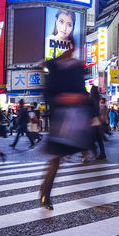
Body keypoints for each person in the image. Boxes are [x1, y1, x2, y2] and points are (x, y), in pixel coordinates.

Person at [38, 48, 91, 209]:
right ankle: (45, 194)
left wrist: (82, 100)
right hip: (60, 119)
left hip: (76, 118)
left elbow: (83, 92)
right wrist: (63, 98)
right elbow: (47, 95)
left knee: (61, 157)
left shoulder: (77, 69)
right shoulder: (54, 68)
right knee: (55, 160)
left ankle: (45, 193)